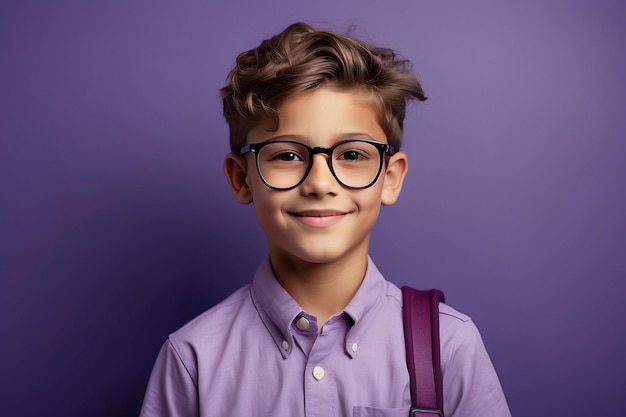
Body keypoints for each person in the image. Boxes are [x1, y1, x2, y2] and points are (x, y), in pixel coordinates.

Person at [139, 22, 511, 417]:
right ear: (241, 178)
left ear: (390, 178)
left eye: (352, 154)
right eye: (286, 154)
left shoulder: (448, 347)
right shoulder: (193, 359)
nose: (319, 182)